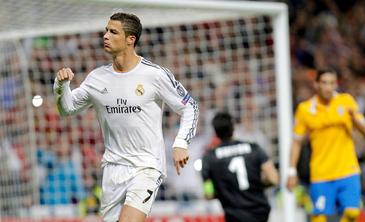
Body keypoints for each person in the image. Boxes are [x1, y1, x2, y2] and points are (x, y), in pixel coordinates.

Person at [53, 12, 199, 222]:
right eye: (106, 30)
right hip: (113, 169)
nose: (105, 36)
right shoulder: (97, 78)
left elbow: (190, 107)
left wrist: (181, 143)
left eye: (113, 32)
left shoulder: (155, 75)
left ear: (131, 39)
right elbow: (66, 109)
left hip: (146, 167)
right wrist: (61, 86)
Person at [287, 69, 365, 222]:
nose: (328, 87)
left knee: (352, 213)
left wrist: (355, 118)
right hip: (321, 173)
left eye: (332, 83)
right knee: (319, 218)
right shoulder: (305, 110)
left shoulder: (346, 101)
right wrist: (292, 171)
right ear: (316, 84)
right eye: (324, 83)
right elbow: (296, 142)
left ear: (336, 84)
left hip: (347, 170)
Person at [201, 111, 279, 222]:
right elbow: (274, 178)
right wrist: (256, 183)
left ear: (216, 132)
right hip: (260, 212)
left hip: (234, 215)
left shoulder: (209, 157)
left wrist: (226, 189)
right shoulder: (253, 148)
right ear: (233, 128)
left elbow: (208, 194)